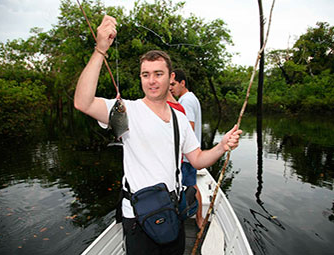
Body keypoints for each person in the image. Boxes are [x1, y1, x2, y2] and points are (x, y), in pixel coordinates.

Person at [74, 15, 242, 255]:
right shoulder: (126, 110)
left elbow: (197, 160)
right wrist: (101, 50)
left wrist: (222, 146)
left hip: (171, 212)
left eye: (158, 74)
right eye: (145, 74)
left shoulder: (180, 119)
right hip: (138, 218)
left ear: (171, 77)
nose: (151, 81)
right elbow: (83, 102)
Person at [170, 69, 203, 229]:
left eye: (173, 84)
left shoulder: (186, 101)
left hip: (187, 155)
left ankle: (199, 219)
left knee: (191, 186)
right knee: (191, 184)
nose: (170, 88)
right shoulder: (190, 98)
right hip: (190, 154)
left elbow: (188, 128)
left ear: (182, 83)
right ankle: (198, 217)